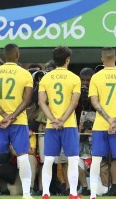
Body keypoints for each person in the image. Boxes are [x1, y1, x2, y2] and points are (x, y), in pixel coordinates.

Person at [0, 43, 34, 198]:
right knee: (23, 157)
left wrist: (4, 115)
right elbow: (27, 100)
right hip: (19, 121)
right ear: (17, 54)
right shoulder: (25, 74)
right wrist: (12, 116)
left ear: (4, 55)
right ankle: (26, 194)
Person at [86, 47, 116, 198]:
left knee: (96, 159)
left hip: (100, 124)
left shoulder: (96, 77)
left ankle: (93, 193)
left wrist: (108, 119)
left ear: (102, 59)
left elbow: (94, 101)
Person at [38, 46, 81, 199]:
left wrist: (53, 119)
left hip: (51, 125)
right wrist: (62, 119)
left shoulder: (45, 78)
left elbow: (42, 102)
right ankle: (73, 193)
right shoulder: (74, 78)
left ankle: (45, 193)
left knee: (48, 159)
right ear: (67, 60)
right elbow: (74, 103)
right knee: (73, 159)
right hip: (68, 124)